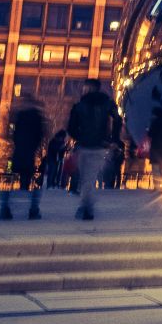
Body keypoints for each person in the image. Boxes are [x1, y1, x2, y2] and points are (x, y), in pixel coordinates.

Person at [67, 78, 118, 220]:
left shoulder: (79, 105)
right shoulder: (107, 103)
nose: (83, 90)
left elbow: (71, 128)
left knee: (86, 178)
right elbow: (118, 120)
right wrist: (112, 140)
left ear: (88, 88)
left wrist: (80, 136)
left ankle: (86, 207)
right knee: (90, 177)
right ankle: (85, 206)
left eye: (85, 88)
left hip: (84, 146)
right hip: (100, 146)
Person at [0, 97, 48, 220]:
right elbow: (40, 135)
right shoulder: (37, 117)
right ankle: (32, 209)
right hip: (29, 150)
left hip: (20, 149)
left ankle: (6, 208)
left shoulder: (20, 115)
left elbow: (14, 133)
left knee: (17, 177)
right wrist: (35, 147)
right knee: (26, 179)